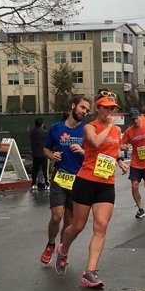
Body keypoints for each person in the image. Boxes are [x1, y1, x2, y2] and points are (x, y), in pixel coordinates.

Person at [55, 92, 128, 289]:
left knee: (101, 226)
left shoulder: (115, 131)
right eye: (106, 108)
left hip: (106, 183)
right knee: (77, 226)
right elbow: (95, 143)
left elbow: (112, 151)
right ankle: (63, 249)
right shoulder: (90, 127)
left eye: (112, 108)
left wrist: (120, 161)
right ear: (98, 108)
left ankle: (90, 272)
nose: (109, 111)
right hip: (86, 180)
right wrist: (111, 126)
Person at [39, 94, 91, 265]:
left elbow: (94, 154)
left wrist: (84, 152)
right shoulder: (56, 128)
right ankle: (50, 244)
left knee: (69, 220)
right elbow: (46, 149)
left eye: (87, 110)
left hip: (78, 180)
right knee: (57, 216)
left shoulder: (87, 130)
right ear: (73, 106)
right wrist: (51, 155)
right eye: (83, 107)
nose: (85, 112)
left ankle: (62, 250)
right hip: (60, 177)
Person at [121, 108, 145, 219]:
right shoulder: (129, 132)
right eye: (132, 119)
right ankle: (140, 209)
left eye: (136, 118)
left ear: (140, 117)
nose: (135, 121)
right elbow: (122, 145)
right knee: (134, 186)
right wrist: (124, 147)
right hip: (135, 163)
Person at [29, 117, 48, 191]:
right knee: (44, 169)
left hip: (35, 153)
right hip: (43, 153)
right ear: (42, 124)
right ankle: (47, 183)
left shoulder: (32, 132)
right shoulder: (45, 132)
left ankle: (33, 184)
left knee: (35, 169)